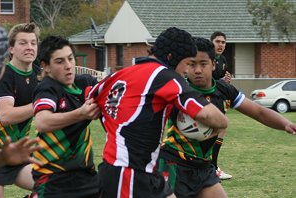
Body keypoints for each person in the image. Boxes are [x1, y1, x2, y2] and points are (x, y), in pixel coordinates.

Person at [86, 27, 228, 198]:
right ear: (172, 58)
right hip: (128, 173)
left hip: (140, 170)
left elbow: (90, 99)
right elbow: (207, 115)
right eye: (188, 63)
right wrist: (221, 124)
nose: (186, 70)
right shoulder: (166, 77)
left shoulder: (118, 75)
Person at [156, 37, 296, 198]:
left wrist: (286, 124)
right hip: (174, 164)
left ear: (214, 64)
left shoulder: (224, 90)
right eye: (192, 64)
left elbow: (258, 111)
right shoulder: (178, 90)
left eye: (203, 64)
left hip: (203, 167)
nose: (198, 70)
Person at [30, 35, 101, 198]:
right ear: (46, 66)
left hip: (86, 176)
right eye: (60, 62)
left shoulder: (85, 83)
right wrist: (80, 113)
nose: (68, 66)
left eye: (70, 59)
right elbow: (42, 122)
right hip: (53, 178)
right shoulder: (47, 88)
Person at [0, 23, 40, 198]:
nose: (29, 47)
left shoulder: (39, 75)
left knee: (54, 187)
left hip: (18, 154)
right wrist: (40, 104)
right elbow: (6, 116)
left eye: (33, 43)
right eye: (23, 43)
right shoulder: (4, 74)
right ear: (11, 49)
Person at [210, 31, 232, 179]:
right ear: (211, 42)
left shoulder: (223, 59)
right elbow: (206, 80)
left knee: (220, 129)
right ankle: (212, 167)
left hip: (217, 98)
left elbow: (220, 79)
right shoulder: (206, 57)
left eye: (223, 42)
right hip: (204, 100)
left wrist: (227, 80)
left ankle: (213, 166)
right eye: (218, 41)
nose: (221, 45)